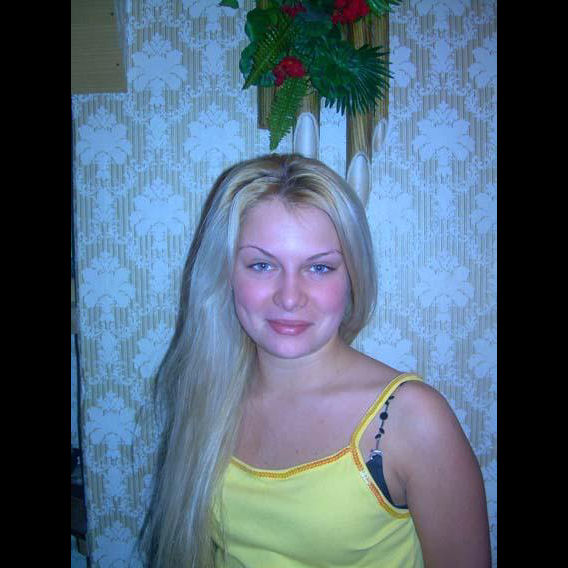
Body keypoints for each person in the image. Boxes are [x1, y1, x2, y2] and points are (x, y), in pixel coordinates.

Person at [139, 154, 491, 567]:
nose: (289, 297)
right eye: (262, 265)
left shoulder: (411, 421)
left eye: (319, 268)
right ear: (226, 274)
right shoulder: (209, 394)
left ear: (352, 276)